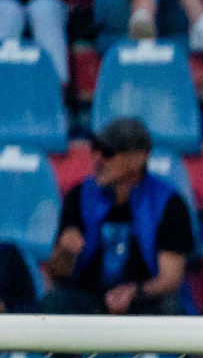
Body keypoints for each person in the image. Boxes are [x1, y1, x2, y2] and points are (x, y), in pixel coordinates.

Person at [38, 117, 191, 315]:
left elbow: (170, 278)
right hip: (90, 300)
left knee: (169, 309)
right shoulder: (79, 196)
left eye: (108, 153)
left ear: (138, 158)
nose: (97, 159)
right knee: (54, 304)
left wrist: (133, 293)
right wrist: (66, 254)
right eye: (95, 150)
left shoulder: (167, 202)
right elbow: (56, 276)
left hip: (143, 300)